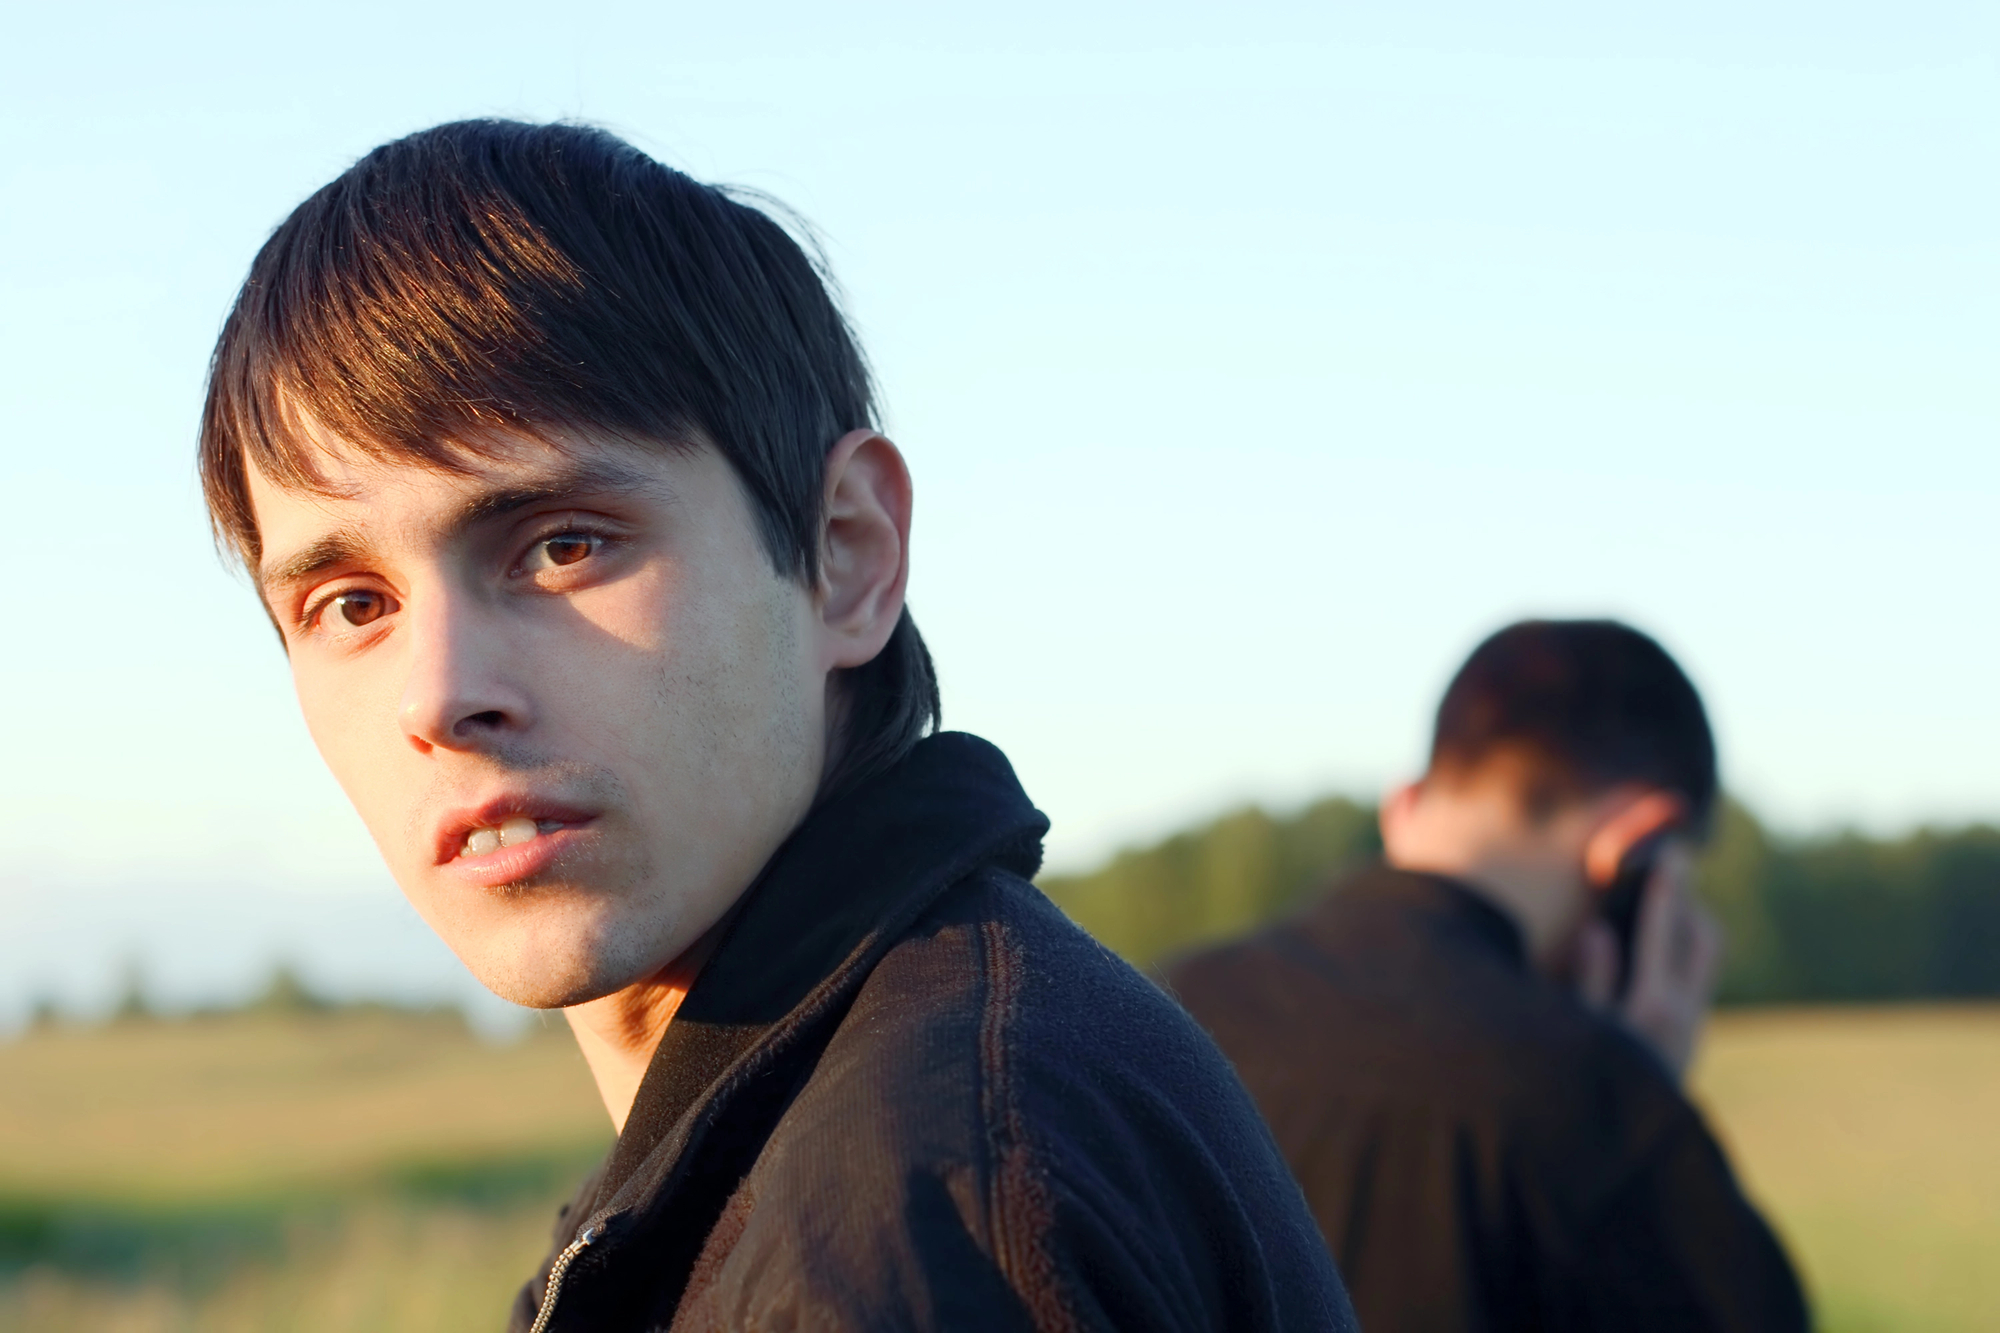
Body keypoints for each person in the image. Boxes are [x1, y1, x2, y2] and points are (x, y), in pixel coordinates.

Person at [196, 120, 1355, 1333]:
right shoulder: (855, 1116)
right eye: (354, 604)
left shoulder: (912, 1215)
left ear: (847, 554)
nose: (438, 696)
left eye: (561, 545)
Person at [1166, 620, 1809, 1333]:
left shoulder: (1156, 1009)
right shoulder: (1597, 1107)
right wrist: (1636, 1091)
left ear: (1405, 804)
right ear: (1639, 847)